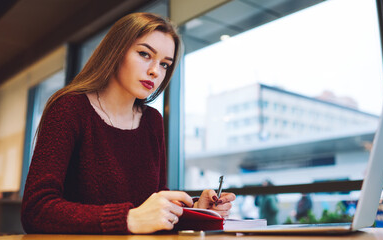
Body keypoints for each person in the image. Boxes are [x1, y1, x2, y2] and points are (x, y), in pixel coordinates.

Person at [21, 12, 235, 234]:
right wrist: (128, 219)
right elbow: (36, 210)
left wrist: (199, 212)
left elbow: (153, 214)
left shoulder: (152, 121)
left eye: (164, 64)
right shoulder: (70, 108)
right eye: (144, 54)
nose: (155, 71)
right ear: (116, 51)